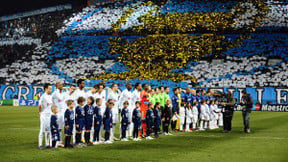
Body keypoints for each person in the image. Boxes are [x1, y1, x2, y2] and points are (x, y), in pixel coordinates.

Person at [38, 83, 53, 150]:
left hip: (49, 115)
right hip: (44, 115)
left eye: (51, 89)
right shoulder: (43, 96)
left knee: (48, 130)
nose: (51, 90)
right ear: (46, 89)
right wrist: (40, 112)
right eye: (50, 88)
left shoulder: (50, 96)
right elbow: (39, 105)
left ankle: (47, 144)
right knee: (42, 130)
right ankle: (40, 144)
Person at [51, 82, 65, 147]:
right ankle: (56, 141)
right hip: (57, 112)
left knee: (60, 127)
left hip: (62, 112)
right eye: (59, 85)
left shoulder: (62, 93)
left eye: (61, 85)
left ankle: (59, 141)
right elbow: (51, 102)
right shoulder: (55, 94)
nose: (61, 86)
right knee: (57, 127)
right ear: (56, 87)